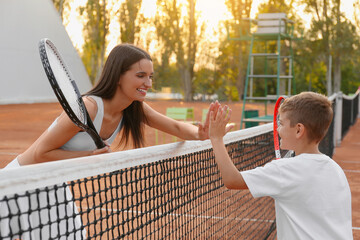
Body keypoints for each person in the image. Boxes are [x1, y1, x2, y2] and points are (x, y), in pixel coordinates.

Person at [0, 43, 224, 239]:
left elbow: (174, 126)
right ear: (118, 76)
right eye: (140, 76)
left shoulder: (133, 108)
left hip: (52, 185)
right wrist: (89, 158)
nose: (148, 82)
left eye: (150, 76)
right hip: (18, 181)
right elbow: (40, 154)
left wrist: (202, 134)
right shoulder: (87, 107)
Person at [208, 92, 352, 240]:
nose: (277, 129)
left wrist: (216, 138)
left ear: (298, 130)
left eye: (281, 124)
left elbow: (232, 180)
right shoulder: (336, 170)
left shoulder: (284, 170)